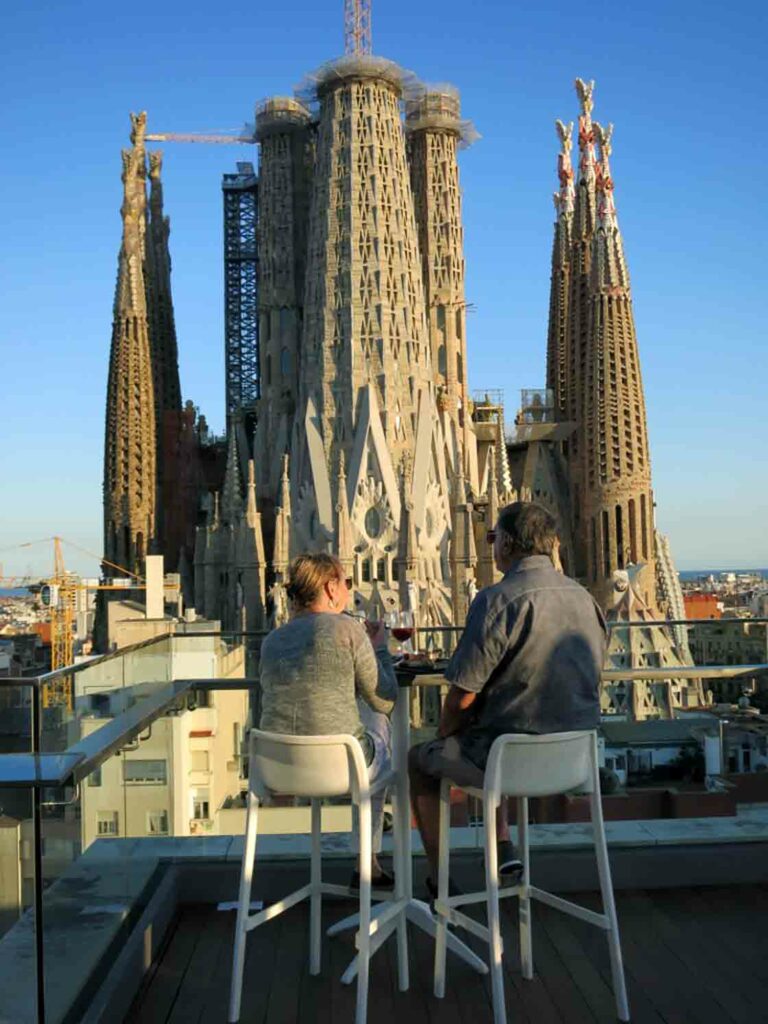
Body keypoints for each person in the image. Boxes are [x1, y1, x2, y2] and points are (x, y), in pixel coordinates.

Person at [409, 501, 606, 895]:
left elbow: (461, 695)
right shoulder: (586, 599)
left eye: (493, 537)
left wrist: (445, 733)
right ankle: (501, 846)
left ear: (510, 545)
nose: (491, 545)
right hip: (575, 757)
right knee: (502, 733)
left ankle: (439, 882)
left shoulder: (497, 599)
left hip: (507, 759)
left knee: (420, 760)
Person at [259, 553, 397, 886]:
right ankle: (368, 860)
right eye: (347, 583)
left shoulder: (271, 640)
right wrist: (379, 648)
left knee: (361, 732)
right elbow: (384, 698)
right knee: (379, 724)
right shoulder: (349, 630)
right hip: (342, 768)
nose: (349, 590)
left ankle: (369, 860)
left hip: (278, 768)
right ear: (331, 588)